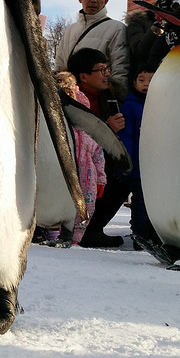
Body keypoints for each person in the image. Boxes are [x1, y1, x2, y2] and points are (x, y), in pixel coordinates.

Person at [66, 47, 126, 248]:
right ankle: (79, 229)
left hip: (98, 162)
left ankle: (94, 228)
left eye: (107, 68)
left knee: (122, 176)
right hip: (74, 163)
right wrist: (106, 129)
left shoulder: (111, 96)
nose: (106, 74)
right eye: (101, 70)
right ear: (83, 76)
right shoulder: (69, 98)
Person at [54, 0, 129, 98]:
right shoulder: (69, 31)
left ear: (106, 1)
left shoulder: (116, 28)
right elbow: (59, 67)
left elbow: (120, 70)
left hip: (99, 102)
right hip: (70, 99)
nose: (94, 0)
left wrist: (116, 103)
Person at [117, 67, 156, 245]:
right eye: (141, 80)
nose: (146, 84)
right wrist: (126, 163)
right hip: (139, 167)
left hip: (157, 166)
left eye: (151, 79)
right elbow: (126, 138)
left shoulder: (162, 105)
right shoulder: (130, 106)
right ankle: (140, 237)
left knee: (156, 203)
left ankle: (155, 235)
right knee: (140, 203)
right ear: (134, 83)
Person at [125, 0, 180, 78]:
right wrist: (154, 30)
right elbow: (139, 51)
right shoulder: (140, 21)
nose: (175, 3)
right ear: (161, 0)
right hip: (147, 80)